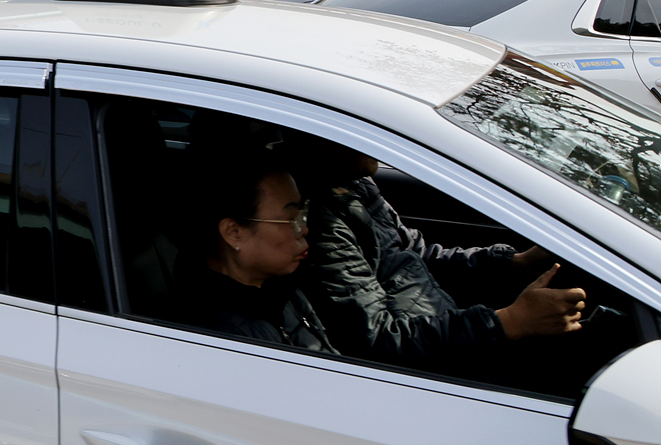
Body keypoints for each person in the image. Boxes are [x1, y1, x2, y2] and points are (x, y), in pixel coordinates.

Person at [286, 134, 585, 377]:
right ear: (321, 139)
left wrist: (515, 264)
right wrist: (508, 321)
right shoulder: (321, 226)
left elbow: (416, 255)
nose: (377, 138)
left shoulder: (354, 184)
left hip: (445, 332)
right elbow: (379, 339)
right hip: (434, 372)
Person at [171, 154, 337, 352]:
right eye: (291, 218)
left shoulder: (279, 287)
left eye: (303, 214)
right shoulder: (221, 336)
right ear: (234, 233)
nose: (303, 229)